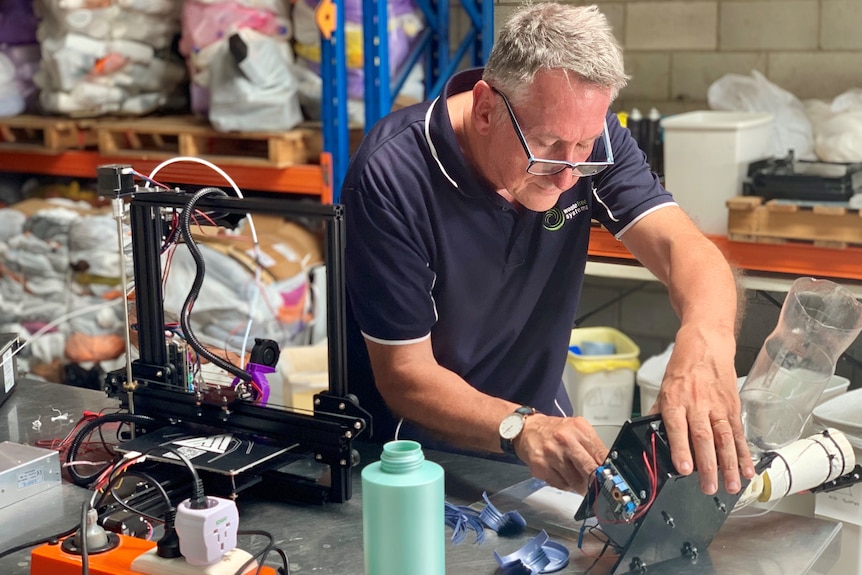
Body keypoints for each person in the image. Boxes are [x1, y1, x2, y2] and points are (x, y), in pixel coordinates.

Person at [341, 2, 754, 496]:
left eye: (584, 147)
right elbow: (405, 376)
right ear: (486, 108)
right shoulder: (392, 175)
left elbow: (681, 246)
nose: (566, 174)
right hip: (416, 459)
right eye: (547, 144)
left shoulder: (584, 141)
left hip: (537, 434)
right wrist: (520, 428)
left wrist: (706, 342)